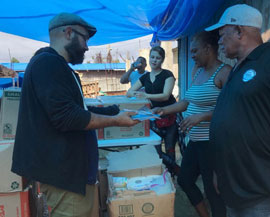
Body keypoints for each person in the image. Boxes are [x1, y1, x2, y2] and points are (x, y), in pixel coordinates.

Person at [11, 13, 139, 217]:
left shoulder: (57, 66)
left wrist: (114, 110)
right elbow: (68, 116)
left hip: (70, 174)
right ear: (68, 32)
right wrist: (116, 120)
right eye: (85, 38)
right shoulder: (48, 64)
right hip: (65, 178)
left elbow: (78, 108)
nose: (87, 47)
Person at [205, 4, 270, 217]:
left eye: (222, 34)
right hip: (235, 192)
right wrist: (219, 172)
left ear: (239, 31)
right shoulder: (238, 69)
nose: (219, 41)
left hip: (265, 195)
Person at [153, 31, 231, 217]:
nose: (192, 55)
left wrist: (202, 117)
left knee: (213, 192)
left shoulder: (225, 73)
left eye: (195, 51)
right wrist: (163, 110)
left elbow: (231, 110)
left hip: (211, 143)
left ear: (208, 48)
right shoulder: (198, 71)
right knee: (185, 181)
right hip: (195, 142)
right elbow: (186, 102)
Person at [126, 46, 180, 175]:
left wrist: (146, 95)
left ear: (162, 60)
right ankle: (176, 169)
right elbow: (129, 92)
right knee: (155, 150)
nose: (154, 60)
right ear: (149, 58)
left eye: (158, 58)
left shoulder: (168, 75)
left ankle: (171, 177)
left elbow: (166, 95)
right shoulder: (145, 77)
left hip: (169, 115)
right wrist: (138, 93)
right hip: (154, 116)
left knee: (170, 148)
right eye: (152, 57)